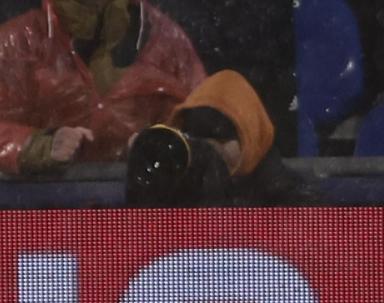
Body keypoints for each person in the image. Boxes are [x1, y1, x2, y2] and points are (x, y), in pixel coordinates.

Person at [0, 0, 206, 176]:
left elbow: (206, 130)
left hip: (141, 203)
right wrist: (37, 146)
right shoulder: (17, 42)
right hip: (43, 203)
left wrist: (161, 145)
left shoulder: (166, 40)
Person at [125, 69, 317, 207]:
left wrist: (219, 188)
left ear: (251, 136)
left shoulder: (286, 197)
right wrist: (145, 168)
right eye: (195, 136)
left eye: (221, 138)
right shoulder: (175, 188)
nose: (209, 147)